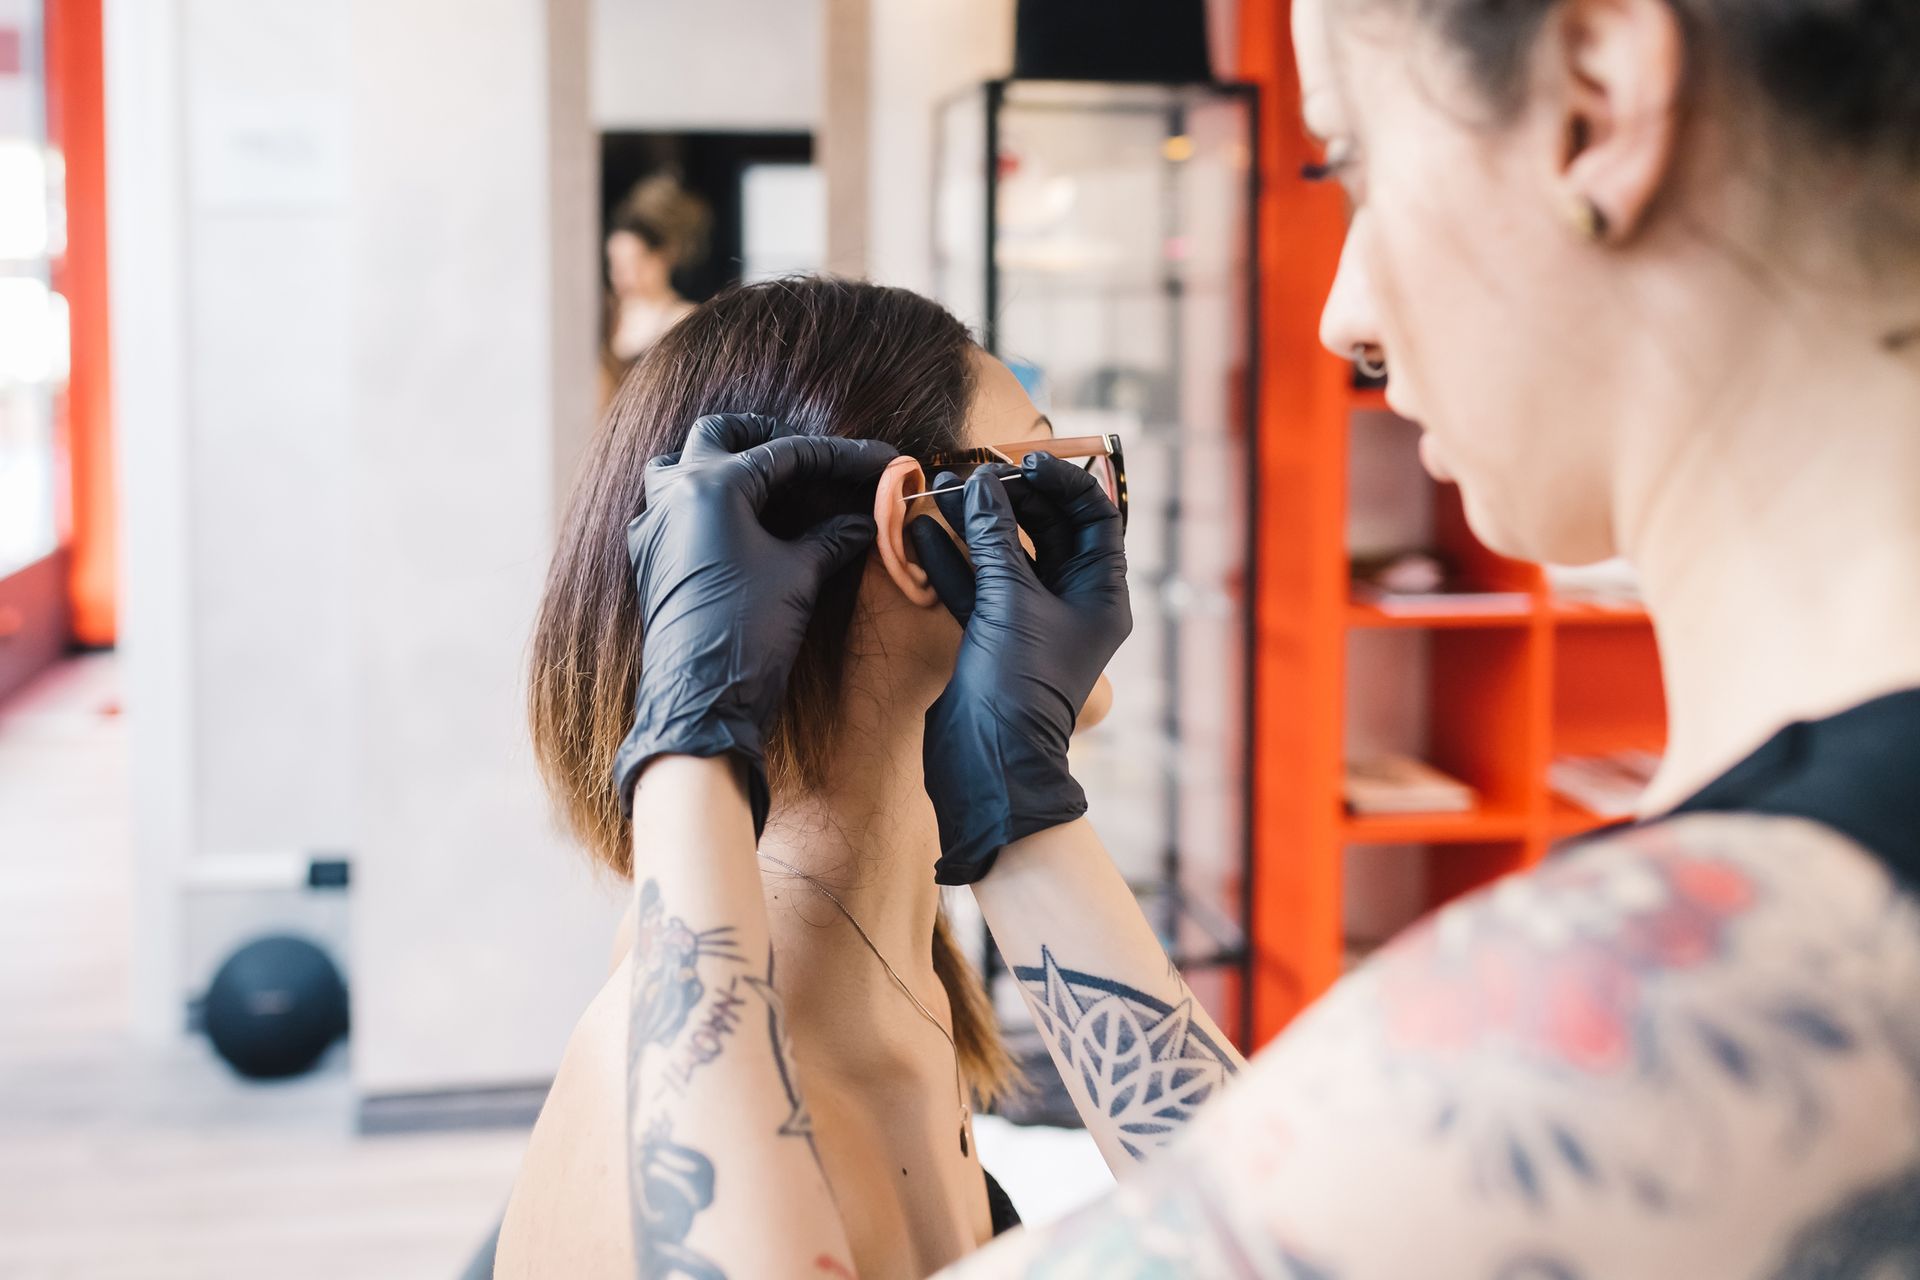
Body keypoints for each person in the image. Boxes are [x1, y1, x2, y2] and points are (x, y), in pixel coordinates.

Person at [601, 0, 1920, 1273]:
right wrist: (1023, 812)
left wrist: (685, 753)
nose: (1343, 311)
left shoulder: (1673, 993)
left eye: (1351, 162)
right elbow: (1282, 1206)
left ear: (1594, 102)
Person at [493, 277, 1239, 1278]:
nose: (1099, 520)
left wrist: (1024, 805)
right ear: (918, 534)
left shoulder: (892, 969)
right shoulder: (664, 1062)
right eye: (1052, 470)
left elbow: (1265, 1221)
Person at [599, 175, 710, 406]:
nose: (624, 275)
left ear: (663, 258)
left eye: (634, 263)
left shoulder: (685, 317)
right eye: (616, 264)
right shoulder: (606, 315)